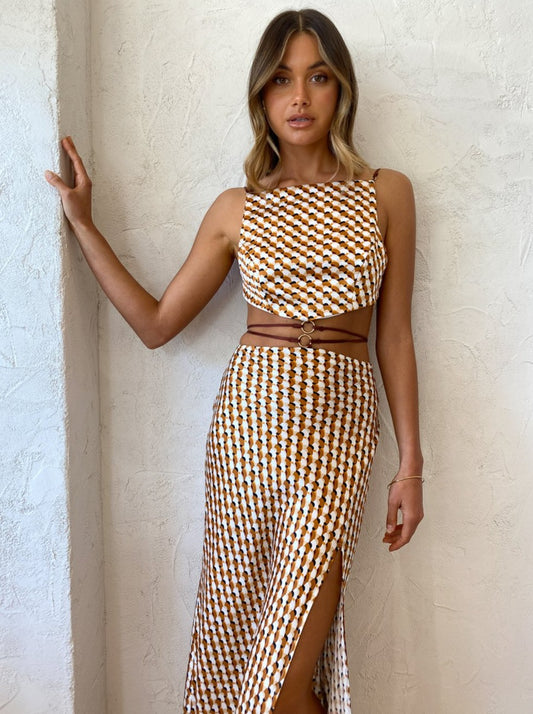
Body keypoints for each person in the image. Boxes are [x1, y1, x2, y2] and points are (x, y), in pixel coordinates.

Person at [45, 8, 424, 714]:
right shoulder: (237, 208)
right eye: (281, 79)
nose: (299, 97)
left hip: (339, 427)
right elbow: (157, 324)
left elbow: (394, 336)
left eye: (317, 77)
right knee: (237, 645)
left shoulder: (386, 192)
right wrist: (85, 225)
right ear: (261, 94)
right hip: (249, 425)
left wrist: (411, 466)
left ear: (342, 89)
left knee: (283, 678)